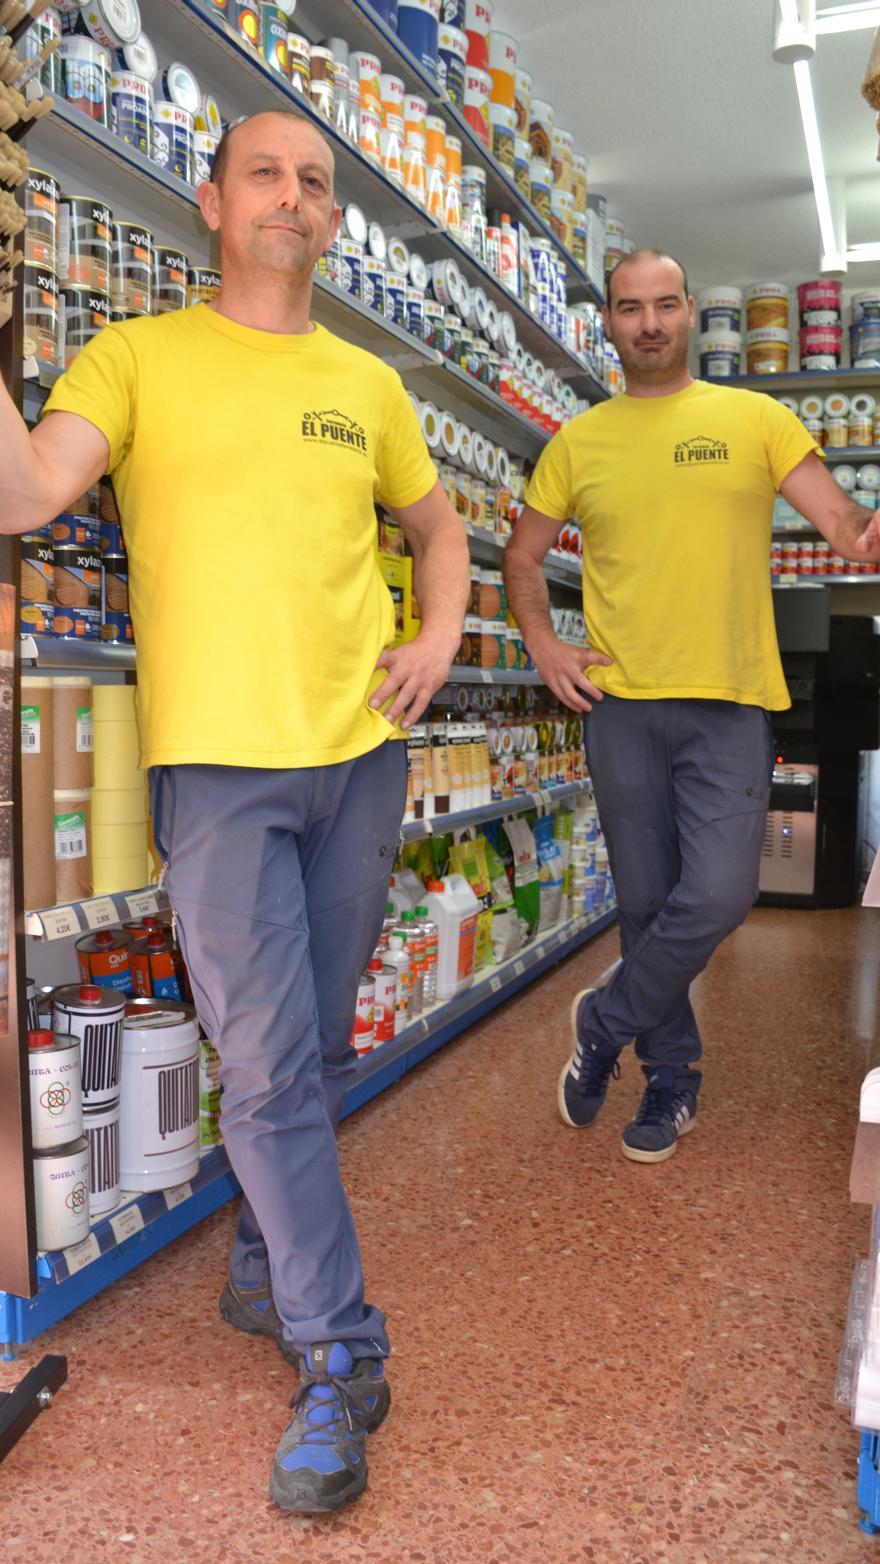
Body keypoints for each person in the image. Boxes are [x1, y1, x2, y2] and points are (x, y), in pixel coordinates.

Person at [1, 109, 469, 1512]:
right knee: (266, 1067)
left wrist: (441, 637)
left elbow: (440, 528)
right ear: (214, 201)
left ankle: (267, 1256)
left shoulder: (367, 384)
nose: (293, 197)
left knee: (309, 1048)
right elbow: (28, 493)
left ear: (331, 219)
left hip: (363, 756)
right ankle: (341, 1357)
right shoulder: (141, 355)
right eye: (265, 173)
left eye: (315, 183)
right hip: (216, 768)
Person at [503, 248, 880, 1166]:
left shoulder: (754, 418)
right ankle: (672, 1075)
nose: (651, 323)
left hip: (729, 702)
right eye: (630, 308)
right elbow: (521, 557)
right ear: (612, 325)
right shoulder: (578, 442)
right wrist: (545, 645)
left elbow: (844, 526)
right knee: (644, 902)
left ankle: (604, 1020)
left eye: (666, 304)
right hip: (622, 705)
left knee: (717, 893)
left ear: (686, 314)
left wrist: (870, 532)